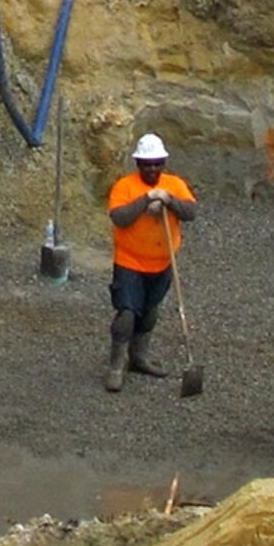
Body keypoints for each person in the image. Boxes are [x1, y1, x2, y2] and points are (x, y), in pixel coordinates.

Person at [103, 134, 196, 391]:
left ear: (163, 162)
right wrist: (146, 201)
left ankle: (139, 357)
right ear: (138, 164)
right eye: (147, 164)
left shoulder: (174, 184)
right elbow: (119, 217)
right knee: (127, 313)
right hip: (129, 261)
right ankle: (116, 366)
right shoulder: (125, 186)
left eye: (157, 163)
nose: (152, 169)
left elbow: (191, 212)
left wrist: (169, 201)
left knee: (150, 311)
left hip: (162, 262)